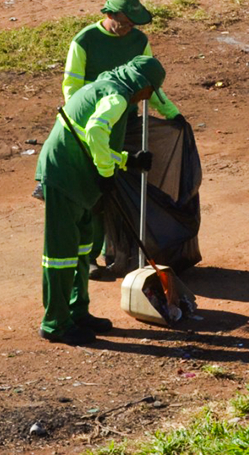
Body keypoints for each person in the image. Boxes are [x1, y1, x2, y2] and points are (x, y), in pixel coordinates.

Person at [37, 56, 162, 345]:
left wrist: (127, 161)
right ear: (141, 86)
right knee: (60, 254)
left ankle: (77, 311)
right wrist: (107, 172)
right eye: (150, 92)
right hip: (65, 176)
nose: (147, 99)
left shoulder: (106, 85)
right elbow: (94, 131)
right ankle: (55, 323)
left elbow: (95, 143)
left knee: (82, 247)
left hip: (78, 175)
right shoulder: (117, 97)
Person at [59, 0, 180, 278]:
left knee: (118, 190)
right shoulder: (84, 41)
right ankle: (87, 256)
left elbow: (147, 82)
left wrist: (173, 115)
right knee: (95, 193)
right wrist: (84, 122)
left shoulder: (139, 41)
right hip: (92, 126)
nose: (128, 30)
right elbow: (71, 89)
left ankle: (115, 252)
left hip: (125, 123)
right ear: (108, 15)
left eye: (132, 25)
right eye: (123, 23)